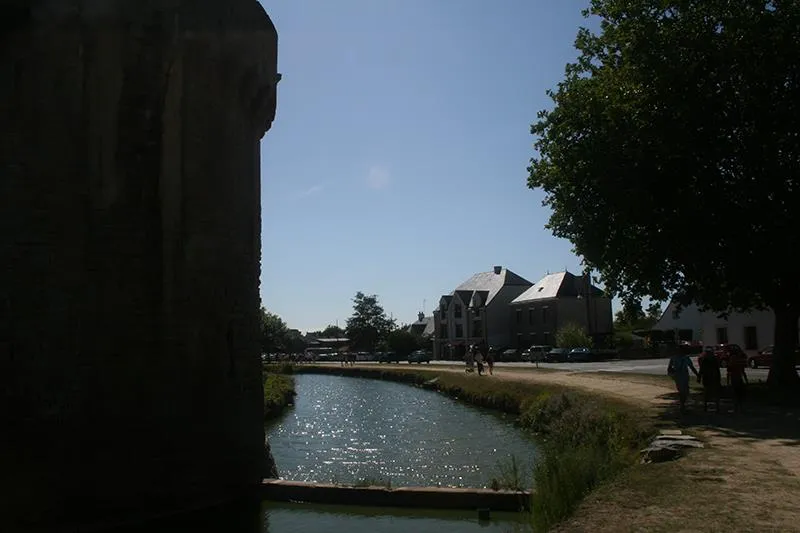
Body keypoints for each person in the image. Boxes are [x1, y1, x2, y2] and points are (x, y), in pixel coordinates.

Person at [697, 347, 721, 412]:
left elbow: (717, 370)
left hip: (713, 378)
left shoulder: (713, 360)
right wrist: (699, 377)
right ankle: (706, 407)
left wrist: (699, 377)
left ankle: (716, 407)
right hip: (707, 378)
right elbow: (701, 369)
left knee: (714, 393)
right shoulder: (705, 360)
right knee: (707, 392)